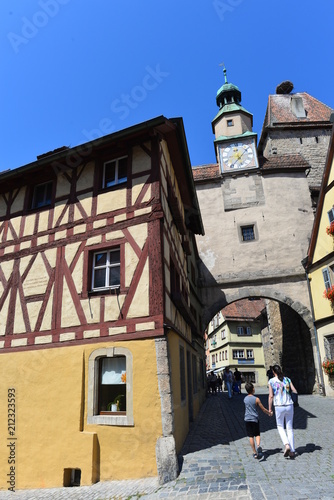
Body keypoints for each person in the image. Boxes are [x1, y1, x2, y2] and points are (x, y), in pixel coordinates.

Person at [268, 364, 298, 459]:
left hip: (279, 406)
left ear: (273, 372)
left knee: (280, 426)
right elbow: (295, 391)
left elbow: (271, 396)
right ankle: (292, 451)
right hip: (289, 405)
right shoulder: (287, 379)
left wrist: (269, 408)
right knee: (290, 428)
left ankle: (286, 445)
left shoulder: (272, 381)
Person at [244, 382, 272, 460]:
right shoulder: (256, 399)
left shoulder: (245, 399)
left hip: (247, 419)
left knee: (250, 436)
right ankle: (258, 446)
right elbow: (263, 409)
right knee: (257, 434)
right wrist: (269, 413)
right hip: (255, 419)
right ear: (253, 389)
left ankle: (255, 453)